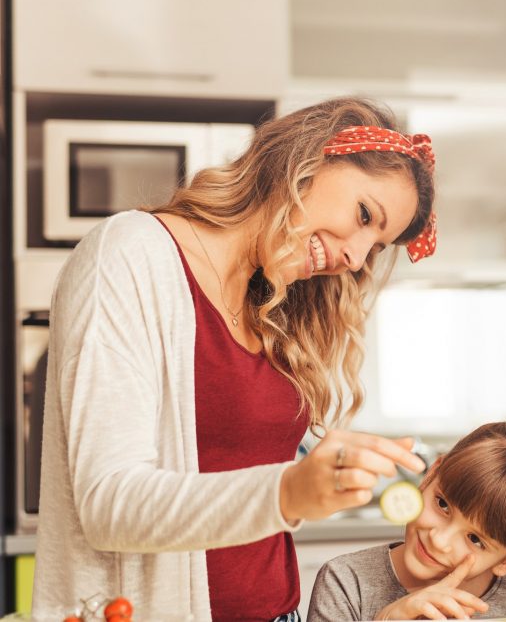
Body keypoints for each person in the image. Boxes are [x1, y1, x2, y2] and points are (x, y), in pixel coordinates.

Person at [33, 97, 440, 621]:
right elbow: (109, 504)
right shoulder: (129, 255)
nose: (355, 259)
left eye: (376, 246)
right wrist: (289, 491)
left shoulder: (273, 302)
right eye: (364, 215)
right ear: (308, 160)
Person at [307, 421, 506, 621]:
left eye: (475, 539)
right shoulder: (345, 582)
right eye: (442, 504)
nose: (439, 539)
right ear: (433, 472)